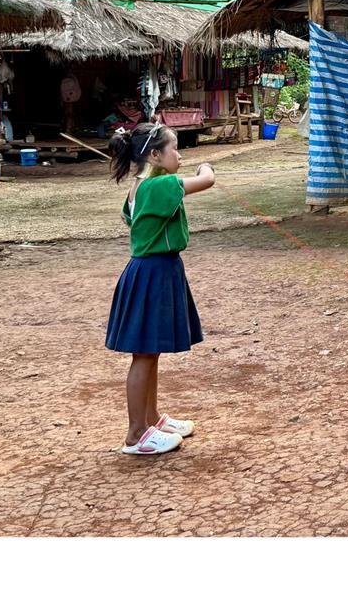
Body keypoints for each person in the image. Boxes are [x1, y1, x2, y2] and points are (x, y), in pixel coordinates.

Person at [105, 121, 216, 455]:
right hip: (153, 273)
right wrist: (206, 166)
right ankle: (136, 434)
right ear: (155, 154)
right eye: (174, 148)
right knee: (144, 353)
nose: (179, 155)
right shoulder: (162, 185)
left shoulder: (139, 187)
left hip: (152, 271)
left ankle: (150, 419)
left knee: (149, 350)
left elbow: (131, 218)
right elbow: (207, 179)